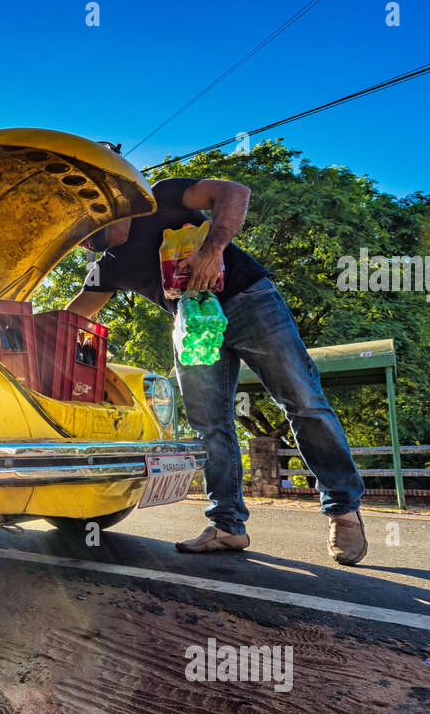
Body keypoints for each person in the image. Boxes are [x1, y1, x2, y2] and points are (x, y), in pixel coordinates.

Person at [68, 169, 368, 565]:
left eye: (83, 226)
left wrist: (212, 250)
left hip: (249, 300)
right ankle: (227, 526)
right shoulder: (108, 266)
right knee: (210, 424)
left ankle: (343, 510)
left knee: (301, 399)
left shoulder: (163, 197)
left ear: (104, 209)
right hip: (193, 326)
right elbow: (72, 317)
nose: (82, 239)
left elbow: (234, 193)